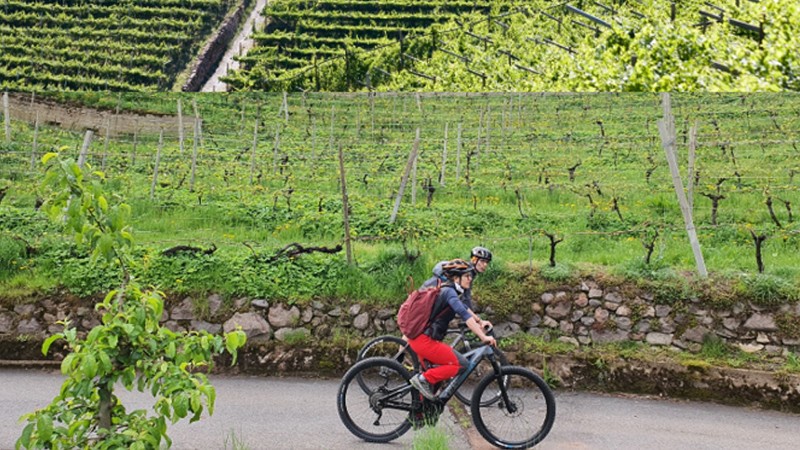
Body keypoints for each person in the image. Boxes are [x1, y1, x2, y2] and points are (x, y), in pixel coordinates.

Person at [408, 259, 496, 401]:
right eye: (467, 276)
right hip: (424, 341)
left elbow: (464, 309)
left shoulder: (451, 291)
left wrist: (479, 322)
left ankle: (419, 416)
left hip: (422, 339)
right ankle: (423, 379)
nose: (470, 279)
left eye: (470, 276)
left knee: (435, 385)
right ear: (456, 278)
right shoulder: (449, 292)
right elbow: (464, 314)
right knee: (461, 364)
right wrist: (483, 337)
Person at [422, 246, 493, 326]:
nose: (485, 265)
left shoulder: (465, 270)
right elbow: (465, 298)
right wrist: (473, 319)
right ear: (474, 260)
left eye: (487, 262)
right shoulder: (466, 272)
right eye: (482, 261)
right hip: (426, 301)